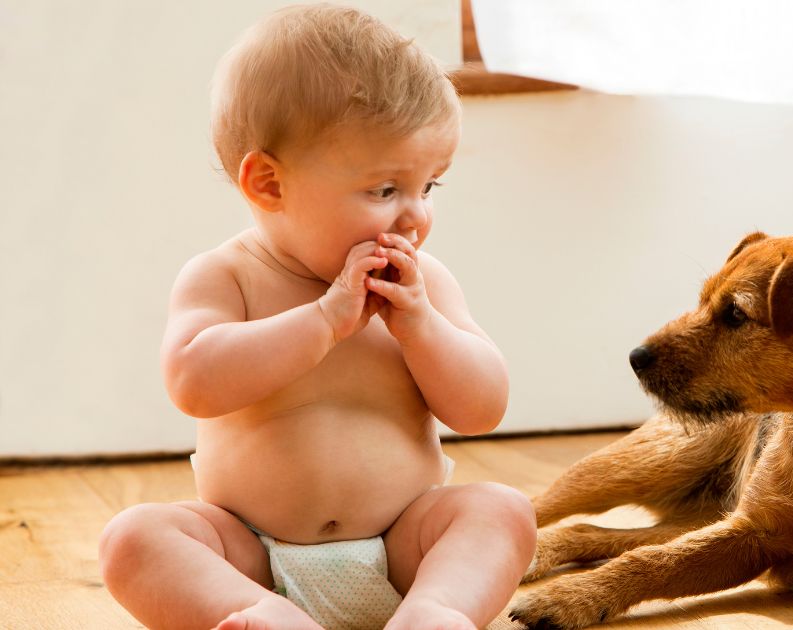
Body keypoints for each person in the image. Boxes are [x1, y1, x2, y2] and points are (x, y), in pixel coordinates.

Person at [98, 5, 535, 629]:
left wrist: (420, 327)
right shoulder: (226, 276)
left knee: (502, 511)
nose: (414, 217)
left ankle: (433, 612)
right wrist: (323, 321)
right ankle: (260, 615)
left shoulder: (423, 287)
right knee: (133, 538)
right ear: (269, 184)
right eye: (385, 190)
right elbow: (193, 382)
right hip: (252, 552)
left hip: (400, 549)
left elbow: (482, 407)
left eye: (429, 186)